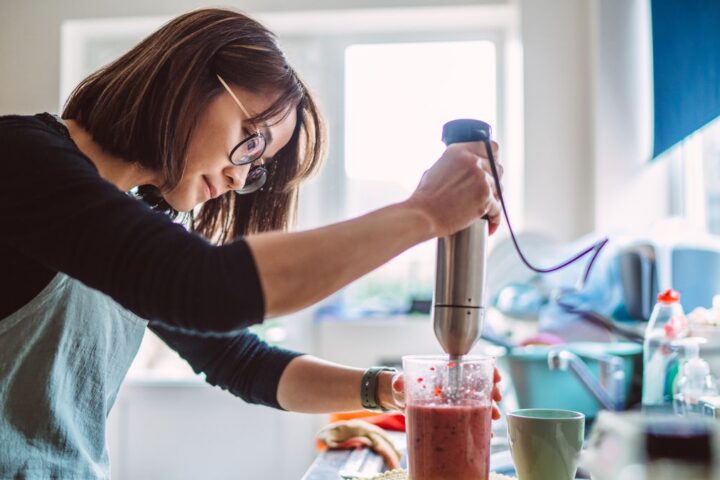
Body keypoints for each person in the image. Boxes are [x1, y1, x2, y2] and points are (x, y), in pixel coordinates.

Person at [0, 8, 504, 477]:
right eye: (251, 137)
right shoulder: (22, 159)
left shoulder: (129, 223)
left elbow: (240, 361)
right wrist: (424, 213)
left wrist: (391, 391)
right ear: (189, 80)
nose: (240, 180)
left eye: (256, 166)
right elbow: (207, 286)